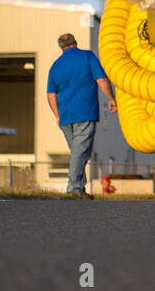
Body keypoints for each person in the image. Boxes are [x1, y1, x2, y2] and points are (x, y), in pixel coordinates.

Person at [46, 33, 117, 197]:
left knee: (77, 153)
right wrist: (111, 98)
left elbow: (51, 95)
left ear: (61, 47)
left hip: (65, 117)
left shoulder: (56, 65)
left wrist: (57, 115)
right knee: (80, 153)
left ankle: (79, 188)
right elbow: (101, 80)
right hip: (84, 113)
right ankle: (73, 188)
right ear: (75, 43)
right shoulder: (87, 56)